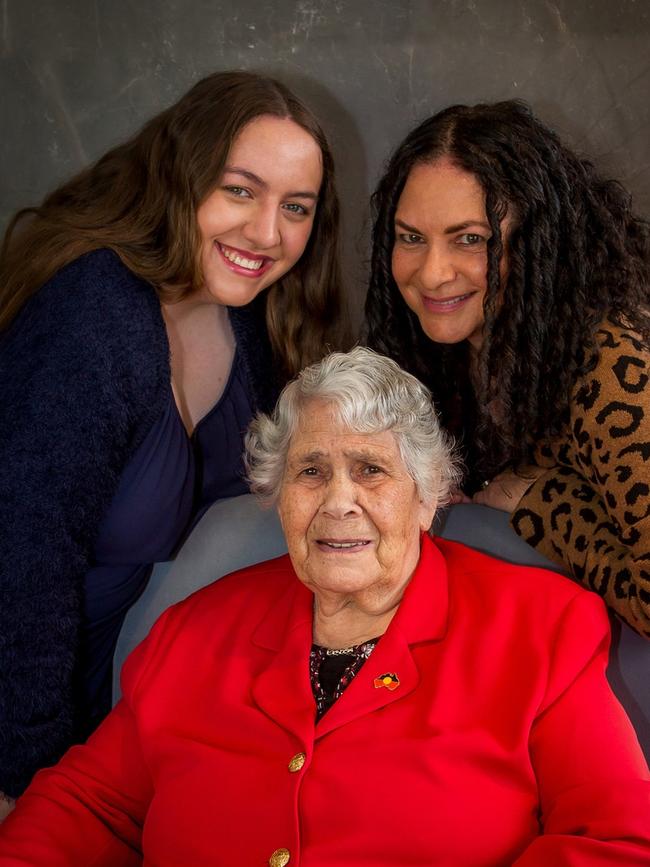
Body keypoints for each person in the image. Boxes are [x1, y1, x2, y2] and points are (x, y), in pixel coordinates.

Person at [0, 347, 649, 865]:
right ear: (277, 494)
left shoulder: (540, 629)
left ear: (427, 498)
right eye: (310, 471)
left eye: (370, 469)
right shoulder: (192, 630)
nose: (339, 500)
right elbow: (86, 807)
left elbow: (615, 838)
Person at [0, 69, 344, 809]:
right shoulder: (95, 314)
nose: (267, 233)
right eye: (240, 190)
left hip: (150, 695)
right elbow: (21, 564)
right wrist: (33, 782)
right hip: (41, 710)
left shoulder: (252, 314)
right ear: (180, 177)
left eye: (297, 207)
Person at [365, 100, 650, 638]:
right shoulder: (429, 346)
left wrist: (541, 501)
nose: (432, 273)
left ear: (537, 244)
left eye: (470, 239)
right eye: (411, 237)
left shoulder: (612, 366)